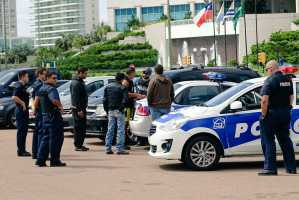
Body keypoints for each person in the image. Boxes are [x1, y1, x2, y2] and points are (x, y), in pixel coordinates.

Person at [259, 60, 297, 176]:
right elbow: (291, 96)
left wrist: (264, 115)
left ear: (271, 68)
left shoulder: (270, 80)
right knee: (285, 140)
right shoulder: (287, 79)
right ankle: (291, 168)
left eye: (266, 69)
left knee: (268, 140)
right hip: (285, 112)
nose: (266, 72)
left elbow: (264, 100)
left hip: (272, 114)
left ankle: (270, 168)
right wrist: (288, 108)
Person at [35, 72, 66, 167]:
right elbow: (54, 100)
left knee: (46, 138)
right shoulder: (52, 89)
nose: (55, 80)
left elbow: (36, 103)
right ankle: (55, 160)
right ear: (48, 78)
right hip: (53, 116)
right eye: (53, 78)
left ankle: (40, 160)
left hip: (45, 116)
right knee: (56, 139)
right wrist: (60, 107)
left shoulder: (41, 88)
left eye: (56, 78)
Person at [103, 73, 129, 155]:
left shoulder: (108, 87)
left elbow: (104, 100)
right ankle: (119, 149)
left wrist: (106, 110)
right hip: (119, 110)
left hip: (110, 109)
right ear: (122, 79)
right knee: (120, 130)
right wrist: (121, 108)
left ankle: (108, 148)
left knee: (110, 129)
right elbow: (125, 100)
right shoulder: (122, 87)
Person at [12, 71, 31, 157]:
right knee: (21, 131)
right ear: (22, 77)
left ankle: (22, 149)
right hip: (20, 110)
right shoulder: (18, 85)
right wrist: (22, 103)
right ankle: (21, 151)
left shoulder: (23, 85)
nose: (28, 78)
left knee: (24, 131)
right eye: (27, 77)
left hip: (24, 110)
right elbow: (14, 97)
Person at [70, 67, 89, 151]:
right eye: (85, 73)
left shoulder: (80, 82)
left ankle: (80, 144)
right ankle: (78, 145)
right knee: (78, 127)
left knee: (82, 127)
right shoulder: (76, 83)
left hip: (81, 108)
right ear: (80, 73)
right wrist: (79, 110)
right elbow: (75, 98)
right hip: (78, 109)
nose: (86, 75)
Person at [31, 68, 47, 159]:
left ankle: (35, 153)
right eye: (44, 74)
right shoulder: (39, 85)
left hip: (38, 111)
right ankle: (40, 153)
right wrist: (35, 109)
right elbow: (36, 99)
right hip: (40, 111)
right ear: (40, 74)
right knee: (41, 132)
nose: (45, 76)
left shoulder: (35, 83)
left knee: (37, 132)